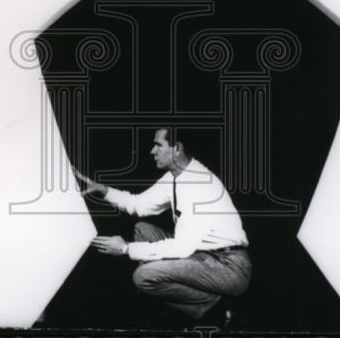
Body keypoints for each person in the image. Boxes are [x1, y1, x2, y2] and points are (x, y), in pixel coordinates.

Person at [74, 128, 251, 323]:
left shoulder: (199, 185)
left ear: (177, 148)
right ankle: (178, 304)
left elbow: (181, 247)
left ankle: (217, 311)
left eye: (158, 145)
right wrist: (104, 190)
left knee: (142, 277)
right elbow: (139, 205)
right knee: (142, 229)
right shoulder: (176, 176)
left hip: (228, 266)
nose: (152, 151)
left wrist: (125, 248)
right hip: (203, 255)